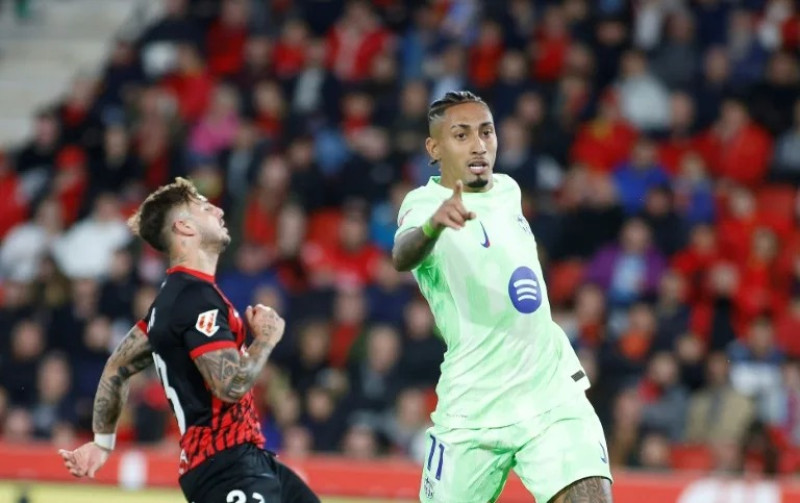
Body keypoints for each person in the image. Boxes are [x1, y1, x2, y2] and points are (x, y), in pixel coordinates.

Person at [392, 91, 613, 503]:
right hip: (473, 405)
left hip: (548, 391)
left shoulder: (508, 190)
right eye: (461, 135)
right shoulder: (423, 204)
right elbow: (402, 254)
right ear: (434, 148)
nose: (479, 144)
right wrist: (432, 227)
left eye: (486, 132)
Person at [58, 178, 319, 503]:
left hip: (243, 460)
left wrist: (102, 443)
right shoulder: (194, 300)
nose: (219, 210)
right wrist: (265, 339)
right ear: (184, 226)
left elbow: (117, 366)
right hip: (224, 465)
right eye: (206, 207)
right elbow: (229, 386)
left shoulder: (172, 301)